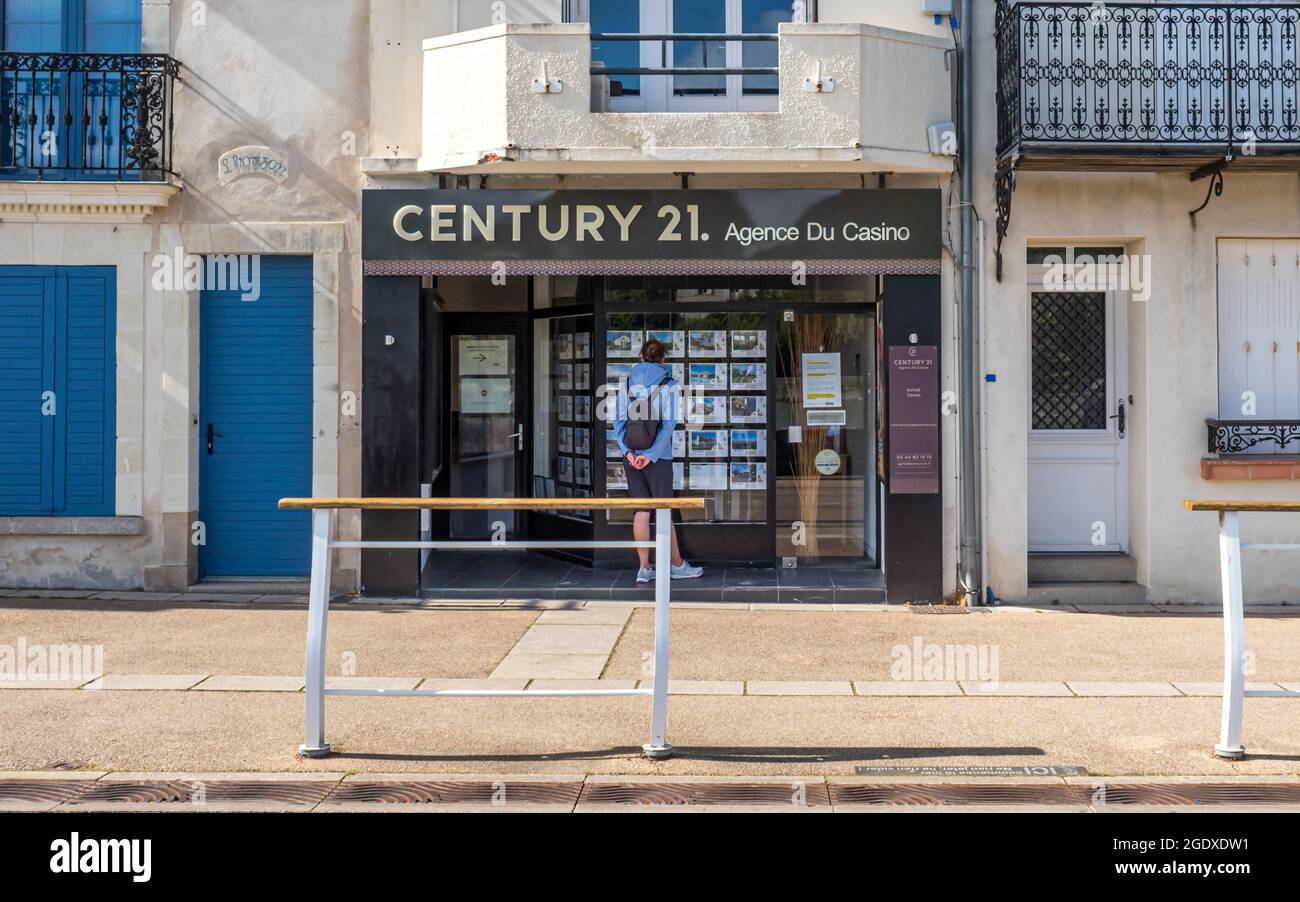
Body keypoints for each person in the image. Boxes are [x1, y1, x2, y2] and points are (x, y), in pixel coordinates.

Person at [613, 338, 703, 583]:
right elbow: (669, 425)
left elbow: (618, 422)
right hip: (659, 458)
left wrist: (629, 453)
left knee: (641, 511)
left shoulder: (627, 382)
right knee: (663, 511)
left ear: (641, 358)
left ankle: (644, 568)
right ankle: (676, 564)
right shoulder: (669, 384)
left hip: (631, 456)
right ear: (664, 359)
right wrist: (651, 455)